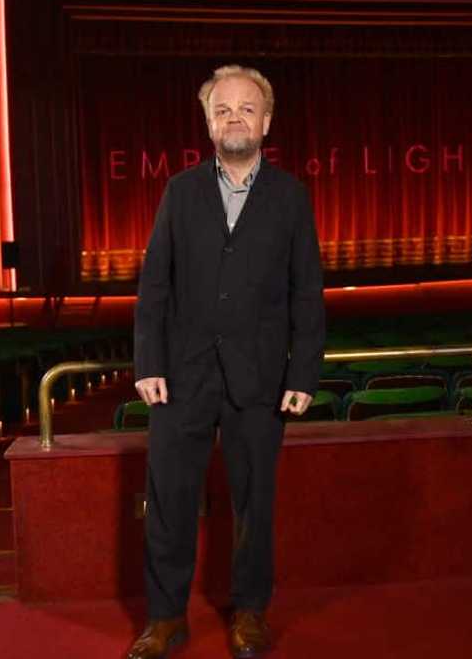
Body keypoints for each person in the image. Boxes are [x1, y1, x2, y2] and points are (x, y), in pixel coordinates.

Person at [127, 65, 326, 659]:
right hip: (180, 377)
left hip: (260, 378)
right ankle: (164, 619)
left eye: (245, 108)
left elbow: (306, 292)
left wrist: (303, 372)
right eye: (222, 110)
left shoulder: (292, 197)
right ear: (208, 123)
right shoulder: (180, 191)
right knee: (168, 502)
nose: (234, 117)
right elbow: (154, 284)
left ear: (266, 121)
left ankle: (249, 613)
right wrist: (147, 362)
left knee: (253, 505)